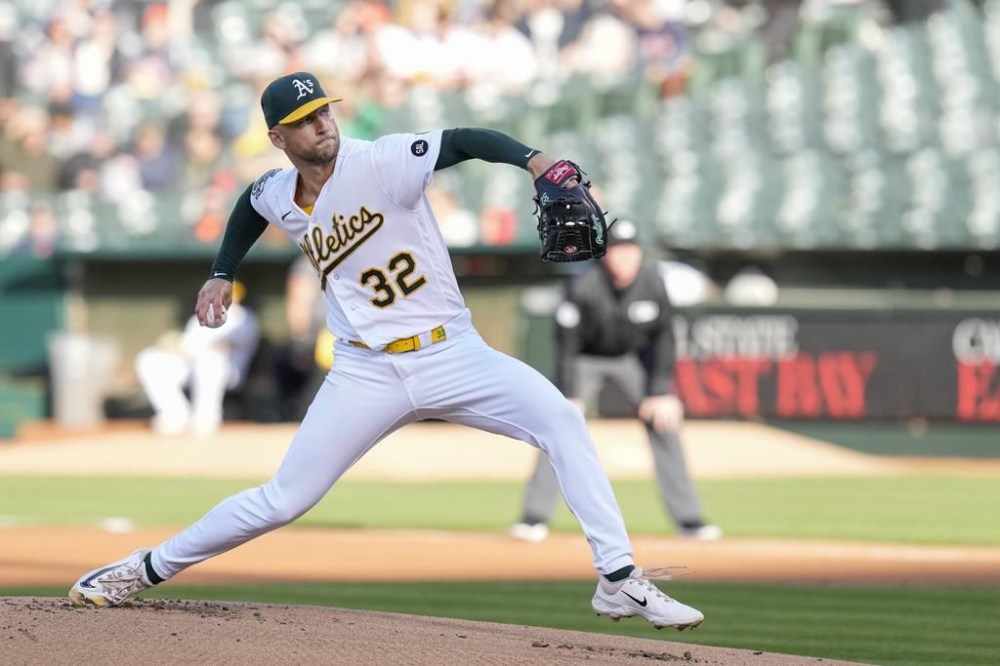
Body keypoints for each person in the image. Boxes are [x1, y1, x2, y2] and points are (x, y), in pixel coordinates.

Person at [68, 72, 703, 631]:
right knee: (285, 499)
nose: (321, 124)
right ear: (279, 139)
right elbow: (248, 205)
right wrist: (220, 271)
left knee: (563, 421)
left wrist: (534, 162)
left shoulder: (382, 160)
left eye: (323, 111)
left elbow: (461, 140)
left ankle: (617, 578)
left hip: (453, 354)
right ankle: (139, 570)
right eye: (303, 121)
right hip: (365, 371)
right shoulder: (279, 192)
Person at [511, 219, 722, 544]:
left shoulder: (653, 282)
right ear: (604, 255)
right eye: (616, 251)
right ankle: (534, 516)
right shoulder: (583, 284)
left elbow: (664, 337)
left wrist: (659, 391)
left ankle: (689, 518)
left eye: (629, 250)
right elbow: (565, 343)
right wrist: (569, 393)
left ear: (638, 253)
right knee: (559, 423)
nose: (623, 258)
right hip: (585, 358)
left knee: (664, 422)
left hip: (629, 358)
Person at [134, 280, 260, 437]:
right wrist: (175, 346)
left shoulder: (243, 318)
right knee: (149, 359)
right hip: (192, 368)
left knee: (209, 360)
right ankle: (174, 415)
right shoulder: (199, 316)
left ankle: (205, 419)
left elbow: (226, 346)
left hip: (227, 371)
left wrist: (196, 348)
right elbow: (187, 347)